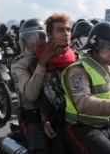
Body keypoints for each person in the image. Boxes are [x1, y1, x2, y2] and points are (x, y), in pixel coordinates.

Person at [61, 21, 110, 154]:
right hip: (82, 128)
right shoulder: (78, 70)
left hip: (106, 124)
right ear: (96, 46)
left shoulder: (107, 67)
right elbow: (83, 102)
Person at [11, 13, 75, 154]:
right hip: (31, 113)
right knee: (40, 149)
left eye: (39, 37)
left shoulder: (59, 56)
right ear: (24, 40)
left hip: (59, 111)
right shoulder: (19, 63)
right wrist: (42, 63)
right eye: (30, 37)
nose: (35, 41)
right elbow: (31, 94)